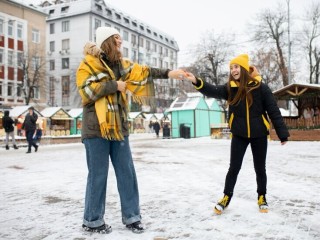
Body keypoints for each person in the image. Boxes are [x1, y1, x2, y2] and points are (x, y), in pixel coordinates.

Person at [76, 26, 187, 234]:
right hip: (95, 129)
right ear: (107, 41)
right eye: (117, 38)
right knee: (98, 175)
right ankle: (92, 220)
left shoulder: (122, 65)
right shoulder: (88, 64)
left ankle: (132, 217)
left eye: (121, 39)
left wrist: (171, 73)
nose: (121, 42)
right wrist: (114, 86)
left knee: (127, 172)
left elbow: (145, 72)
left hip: (119, 127)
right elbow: (87, 91)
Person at [182, 54, 289, 214]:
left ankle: (262, 197)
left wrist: (282, 133)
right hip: (239, 134)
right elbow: (212, 90)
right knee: (234, 167)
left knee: (260, 168)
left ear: (244, 69)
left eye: (236, 66)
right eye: (232, 67)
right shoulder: (230, 88)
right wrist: (196, 81)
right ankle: (226, 197)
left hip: (259, 133)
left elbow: (273, 110)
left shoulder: (261, 87)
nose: (233, 70)